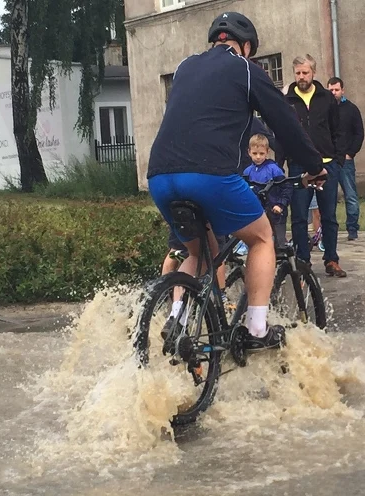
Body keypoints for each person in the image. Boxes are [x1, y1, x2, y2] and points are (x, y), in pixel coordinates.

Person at [146, 11, 326, 348]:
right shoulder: (246, 69)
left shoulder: (185, 67)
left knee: (198, 251)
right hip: (207, 175)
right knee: (260, 238)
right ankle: (257, 329)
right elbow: (284, 121)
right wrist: (314, 166)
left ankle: (178, 319)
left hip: (159, 176)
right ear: (246, 46)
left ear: (216, 39)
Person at [285, 54, 348, 278]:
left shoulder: (326, 98)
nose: (301, 77)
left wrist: (338, 159)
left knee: (328, 215)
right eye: (298, 73)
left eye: (305, 72)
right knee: (299, 217)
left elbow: (337, 130)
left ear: (313, 73)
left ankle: (331, 259)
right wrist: (281, 163)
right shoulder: (288, 100)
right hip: (299, 167)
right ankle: (303, 261)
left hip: (327, 164)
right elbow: (282, 133)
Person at [327, 77, 365, 241]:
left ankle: (352, 228)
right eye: (331, 90)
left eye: (336, 90)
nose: (333, 93)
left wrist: (351, 152)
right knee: (329, 197)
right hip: (329, 158)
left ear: (342, 90)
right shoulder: (325, 109)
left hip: (346, 159)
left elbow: (359, 133)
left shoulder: (351, 109)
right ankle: (329, 230)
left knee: (350, 195)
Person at [242, 133, 293, 247]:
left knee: (279, 244)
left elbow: (286, 187)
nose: (258, 157)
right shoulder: (247, 172)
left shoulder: (274, 169)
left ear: (267, 152)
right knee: (259, 243)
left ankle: (286, 262)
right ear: (249, 152)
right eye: (255, 153)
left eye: (261, 153)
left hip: (275, 212)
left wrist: (281, 204)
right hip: (257, 214)